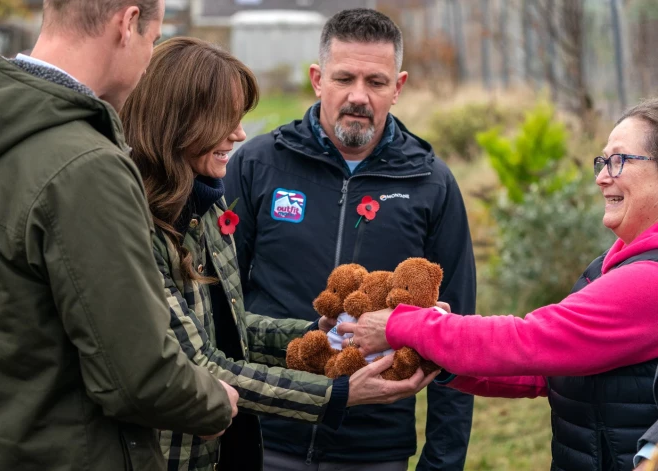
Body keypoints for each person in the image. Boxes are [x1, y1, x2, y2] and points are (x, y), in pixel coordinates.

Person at [119, 36, 436, 471]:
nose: (239, 134)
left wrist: (320, 335)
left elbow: (227, 327)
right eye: (224, 121)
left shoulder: (206, 209)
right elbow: (201, 364)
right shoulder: (136, 225)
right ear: (179, 123)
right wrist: (336, 394)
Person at [343, 99, 658, 471]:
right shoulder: (613, 266)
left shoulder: (648, 280)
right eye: (602, 162)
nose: (602, 176)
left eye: (620, 160)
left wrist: (402, 324)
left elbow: (529, 340)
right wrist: (434, 354)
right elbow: (547, 368)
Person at [224, 8, 476, 471]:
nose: (359, 96)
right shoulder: (257, 165)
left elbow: (457, 333)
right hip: (266, 435)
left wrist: (442, 460)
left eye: (376, 82)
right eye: (345, 78)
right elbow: (221, 303)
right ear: (318, 79)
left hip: (375, 447)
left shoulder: (430, 183)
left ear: (398, 87)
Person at [0, 1, 242, 470]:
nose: (150, 60)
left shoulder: (18, 130)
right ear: (128, 24)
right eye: (154, 41)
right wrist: (213, 404)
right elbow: (138, 375)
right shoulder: (86, 166)